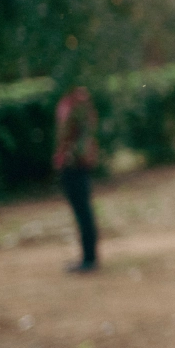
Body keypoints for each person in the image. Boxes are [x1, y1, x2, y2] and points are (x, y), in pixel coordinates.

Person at [54, 85, 100, 273]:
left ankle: (89, 259)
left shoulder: (75, 105)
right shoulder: (79, 104)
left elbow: (67, 135)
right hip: (75, 164)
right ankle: (88, 257)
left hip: (74, 165)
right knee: (83, 212)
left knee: (83, 212)